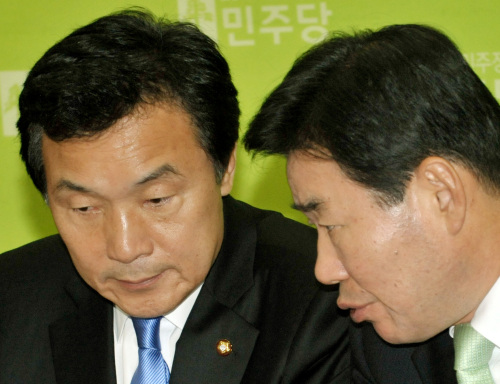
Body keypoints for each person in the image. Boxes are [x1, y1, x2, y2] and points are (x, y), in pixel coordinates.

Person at [0, 9, 351, 384]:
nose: (125, 247)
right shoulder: (10, 302)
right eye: (84, 208)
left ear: (225, 165)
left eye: (157, 200)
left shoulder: (327, 299)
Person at [244, 23, 500, 383]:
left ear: (441, 194)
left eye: (332, 226)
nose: (325, 271)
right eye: (314, 230)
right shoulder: (383, 356)